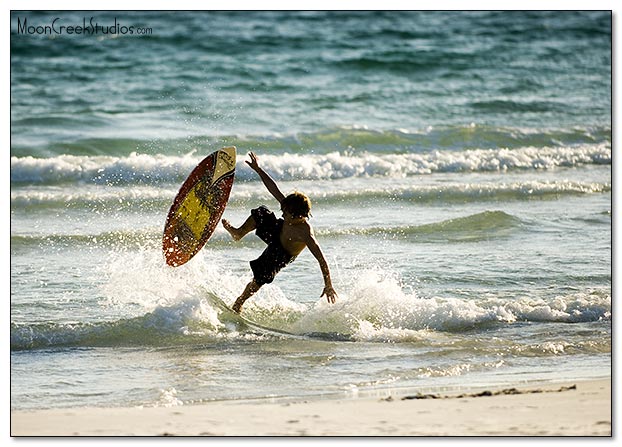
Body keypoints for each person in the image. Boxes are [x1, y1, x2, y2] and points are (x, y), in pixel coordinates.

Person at [222, 152, 338, 313]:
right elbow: (272, 187)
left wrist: (328, 285)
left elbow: (321, 259)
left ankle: (239, 303)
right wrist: (258, 169)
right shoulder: (289, 208)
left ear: (297, 215)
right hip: (278, 232)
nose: (282, 213)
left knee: (259, 278)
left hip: (281, 253)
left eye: (285, 212)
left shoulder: (305, 233)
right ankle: (238, 233)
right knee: (261, 213)